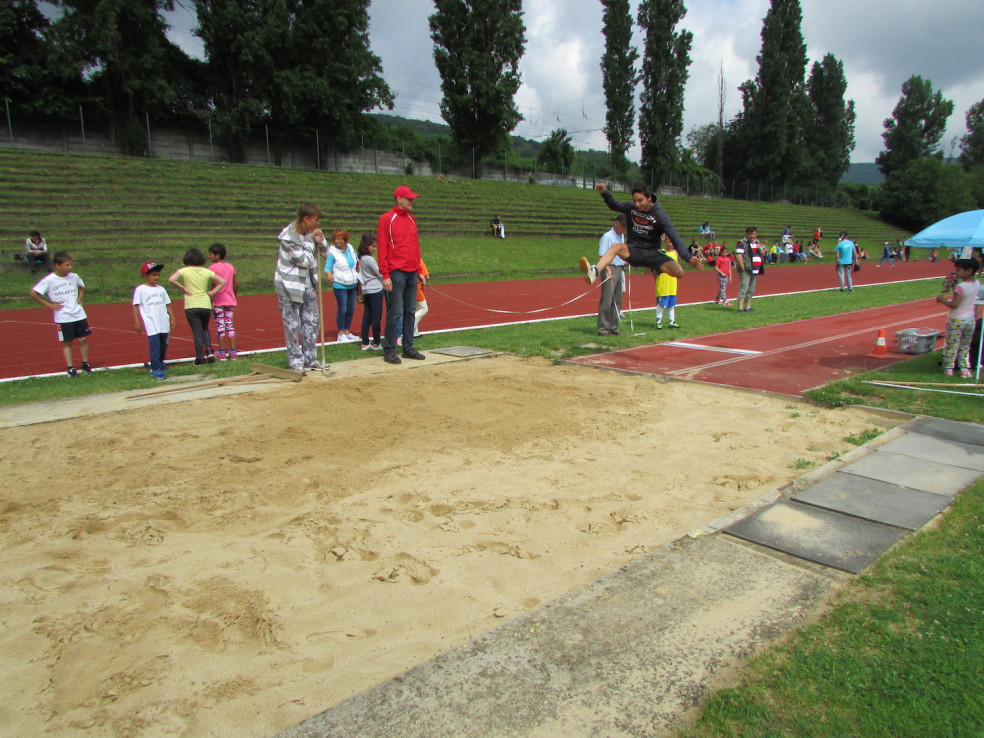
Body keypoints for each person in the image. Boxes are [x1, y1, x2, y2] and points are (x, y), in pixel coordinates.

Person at [580, 183, 702, 286]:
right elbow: (614, 205)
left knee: (679, 273)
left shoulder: (660, 216)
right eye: (635, 201)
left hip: (652, 254)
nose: (637, 204)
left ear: (649, 198)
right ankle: (594, 272)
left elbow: (674, 237)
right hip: (634, 250)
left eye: (640, 200)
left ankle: (655, 268)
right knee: (616, 246)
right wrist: (604, 193)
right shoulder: (631, 207)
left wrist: (688, 257)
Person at [378, 185, 427, 364]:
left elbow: (415, 247)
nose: (412, 201)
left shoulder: (412, 219)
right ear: (399, 199)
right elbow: (383, 247)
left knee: (410, 311)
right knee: (395, 312)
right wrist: (385, 274)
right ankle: (390, 350)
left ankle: (408, 347)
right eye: (409, 198)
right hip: (396, 271)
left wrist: (419, 271)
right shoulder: (386, 219)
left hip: (411, 272)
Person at [275, 203, 325, 373]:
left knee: (312, 322)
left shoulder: (308, 234)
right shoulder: (289, 237)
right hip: (289, 286)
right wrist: (311, 240)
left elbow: (325, 252)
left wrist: (320, 239)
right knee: (292, 325)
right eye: (315, 221)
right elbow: (304, 260)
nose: (317, 224)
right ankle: (296, 361)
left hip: (307, 285)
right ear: (306, 219)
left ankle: (311, 359)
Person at [29, 251, 92, 377]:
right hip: (63, 316)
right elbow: (34, 293)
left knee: (83, 339)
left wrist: (79, 298)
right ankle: (70, 367)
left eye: (70, 265)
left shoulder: (74, 276)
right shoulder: (49, 280)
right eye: (67, 265)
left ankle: (86, 363)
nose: (70, 268)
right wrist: (49, 305)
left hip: (78, 313)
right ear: (57, 265)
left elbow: (81, 286)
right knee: (67, 341)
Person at [169, 247, 224, 365]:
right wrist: (213, 292)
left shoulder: (184, 270)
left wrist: (183, 288)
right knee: (205, 329)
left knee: (197, 332)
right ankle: (209, 350)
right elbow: (222, 281)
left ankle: (200, 357)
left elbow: (172, 279)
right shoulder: (206, 271)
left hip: (191, 304)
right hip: (205, 304)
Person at [936, 258, 981, 378]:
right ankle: (964, 368)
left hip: (956, 320)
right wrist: (954, 286)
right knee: (965, 346)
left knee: (952, 345)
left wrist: (942, 300)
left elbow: (954, 304)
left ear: (969, 271)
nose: (956, 272)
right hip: (970, 320)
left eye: (959, 269)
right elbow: (964, 293)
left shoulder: (961, 287)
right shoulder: (976, 283)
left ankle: (948, 368)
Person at [132, 262, 175, 380]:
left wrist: (172, 318)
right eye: (153, 275)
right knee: (155, 344)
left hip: (163, 321)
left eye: (158, 275)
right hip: (151, 322)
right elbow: (135, 306)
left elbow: (168, 305)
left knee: (164, 344)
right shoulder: (141, 289)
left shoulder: (161, 289)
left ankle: (160, 361)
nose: (156, 277)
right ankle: (155, 368)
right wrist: (137, 321)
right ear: (145, 276)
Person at [324, 228, 360, 342]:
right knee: (343, 309)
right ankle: (340, 333)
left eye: (339, 238)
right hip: (340, 284)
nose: (337, 241)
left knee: (351, 309)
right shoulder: (332, 252)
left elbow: (357, 262)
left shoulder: (351, 248)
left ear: (345, 239)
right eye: (335, 238)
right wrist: (329, 274)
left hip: (353, 284)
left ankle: (347, 331)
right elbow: (327, 267)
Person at [596, 214, 628, 335]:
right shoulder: (607, 237)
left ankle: (613, 327)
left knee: (617, 299)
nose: (625, 229)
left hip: (620, 269)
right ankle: (603, 328)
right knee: (607, 299)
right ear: (616, 224)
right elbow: (601, 256)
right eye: (624, 226)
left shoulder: (621, 237)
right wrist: (607, 269)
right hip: (610, 269)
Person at [208, 243, 239, 360]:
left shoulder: (212, 268)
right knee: (229, 325)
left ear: (217, 255)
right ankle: (233, 351)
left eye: (211, 254)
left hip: (218, 300)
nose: (209, 256)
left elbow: (213, 284)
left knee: (220, 326)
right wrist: (233, 296)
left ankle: (222, 352)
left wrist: (211, 298)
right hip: (229, 300)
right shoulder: (230, 267)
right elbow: (236, 283)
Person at [357, 232, 384, 351]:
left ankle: (365, 342)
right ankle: (377, 342)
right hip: (375, 289)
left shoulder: (361, 258)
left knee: (367, 316)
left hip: (366, 289)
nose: (375, 249)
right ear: (367, 246)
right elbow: (379, 273)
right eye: (373, 246)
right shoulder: (369, 259)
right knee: (376, 317)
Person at [734, 227, 765, 313]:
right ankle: (740, 307)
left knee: (751, 289)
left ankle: (748, 306)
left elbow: (763, 254)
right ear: (747, 234)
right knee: (744, 287)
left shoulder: (757, 243)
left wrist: (760, 249)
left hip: (754, 268)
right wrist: (742, 267)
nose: (752, 236)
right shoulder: (742, 243)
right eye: (750, 234)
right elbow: (738, 255)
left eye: (754, 234)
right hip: (746, 268)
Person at [654, 238, 680, 329]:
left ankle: (672, 322)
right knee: (661, 303)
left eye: (671, 241)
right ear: (665, 242)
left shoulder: (675, 253)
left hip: (672, 281)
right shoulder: (661, 253)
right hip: (663, 281)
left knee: (671, 304)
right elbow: (655, 267)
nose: (670, 243)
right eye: (668, 241)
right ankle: (658, 321)